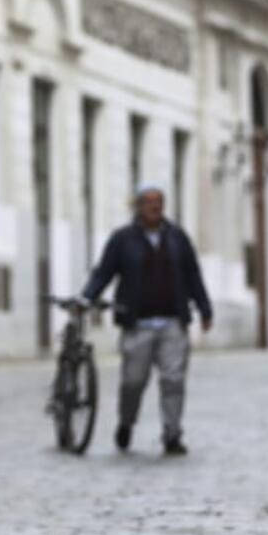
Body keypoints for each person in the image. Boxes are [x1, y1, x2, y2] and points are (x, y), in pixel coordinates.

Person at [82, 184, 212, 455]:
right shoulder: (122, 239)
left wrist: (204, 307)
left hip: (172, 322)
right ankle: (126, 421)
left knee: (173, 380)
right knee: (133, 381)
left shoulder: (177, 238)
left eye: (159, 201)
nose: (155, 207)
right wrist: (87, 297)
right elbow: (103, 272)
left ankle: (172, 434)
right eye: (149, 202)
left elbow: (193, 275)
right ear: (139, 206)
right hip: (137, 323)